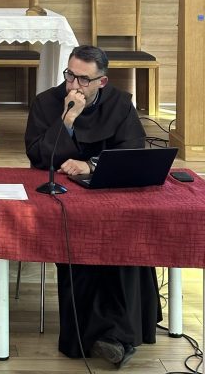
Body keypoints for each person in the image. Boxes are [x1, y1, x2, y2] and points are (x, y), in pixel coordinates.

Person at [25, 44, 161, 368]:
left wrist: (91, 165)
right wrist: (67, 120)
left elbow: (133, 150)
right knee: (80, 241)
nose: (74, 85)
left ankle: (117, 337)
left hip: (111, 193)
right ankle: (94, 339)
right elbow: (38, 156)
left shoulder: (120, 103)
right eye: (70, 75)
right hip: (64, 198)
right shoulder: (46, 102)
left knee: (128, 240)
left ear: (102, 81)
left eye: (84, 79)